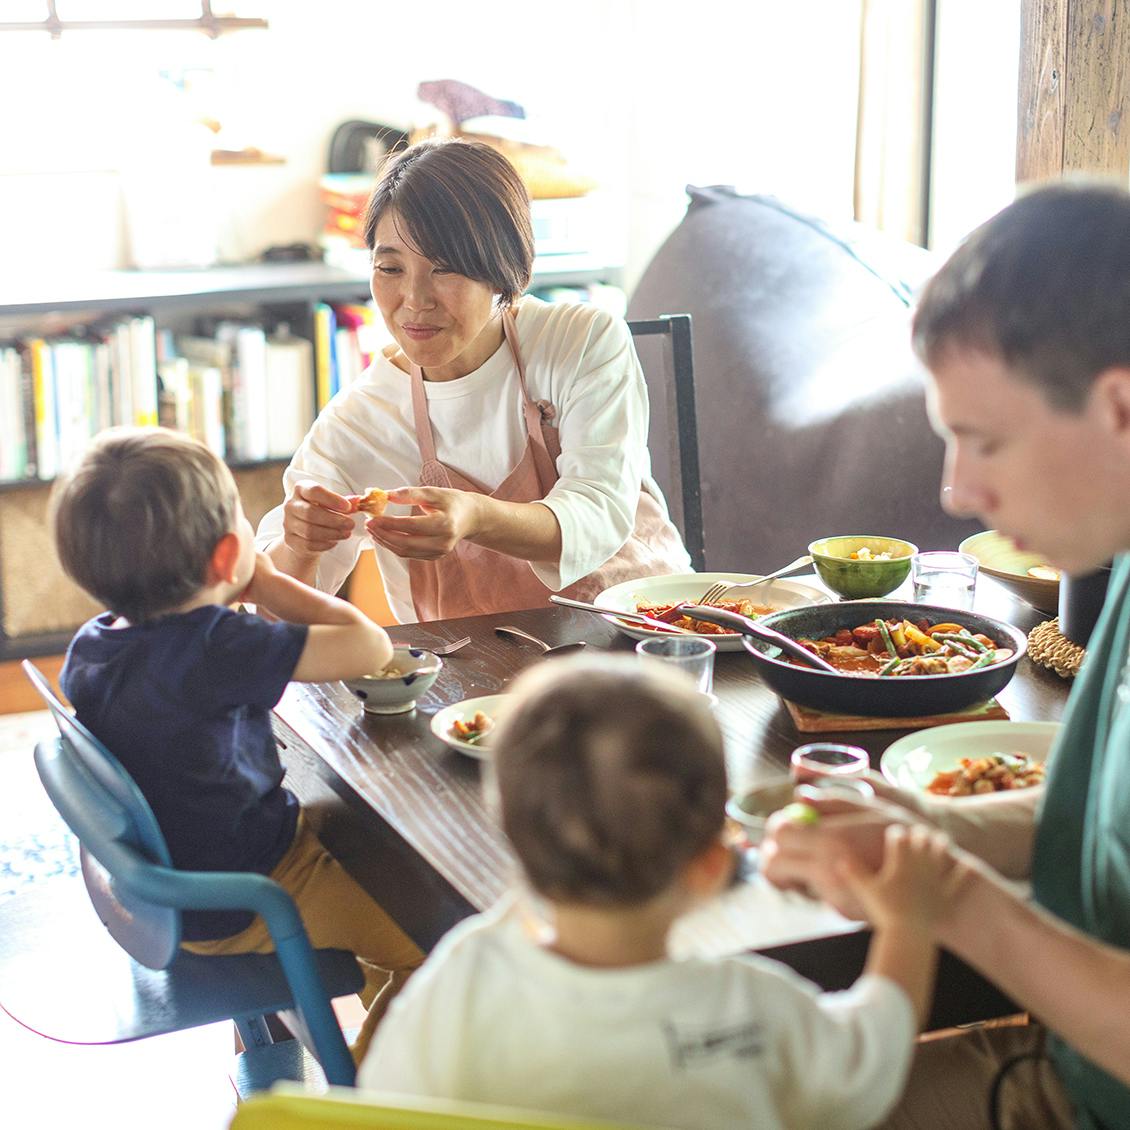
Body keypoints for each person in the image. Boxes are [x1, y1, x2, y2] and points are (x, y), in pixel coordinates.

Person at [760, 180, 1130, 1129]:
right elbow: (1108, 819)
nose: (956, 492)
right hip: (1064, 1062)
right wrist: (929, 828)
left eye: (984, 442)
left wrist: (953, 895)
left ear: (1121, 407)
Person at [358, 656, 939, 1129]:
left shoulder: (462, 978)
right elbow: (869, 1064)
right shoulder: (752, 1009)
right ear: (713, 865)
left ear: (512, 838)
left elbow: (382, 1108)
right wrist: (908, 923)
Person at [52, 426, 423, 1063]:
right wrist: (270, 586)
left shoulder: (95, 642)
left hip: (175, 892)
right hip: (255, 891)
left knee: (374, 856)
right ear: (228, 557)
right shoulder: (217, 647)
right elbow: (371, 646)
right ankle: (371, 1086)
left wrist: (245, 583)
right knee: (436, 947)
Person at [256, 138, 689, 623]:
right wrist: (299, 544)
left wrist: (475, 518)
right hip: (473, 681)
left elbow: (598, 512)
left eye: (446, 269)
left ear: (505, 273)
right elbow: (270, 614)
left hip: (646, 636)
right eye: (390, 268)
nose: (415, 299)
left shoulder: (580, 341)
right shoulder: (363, 420)